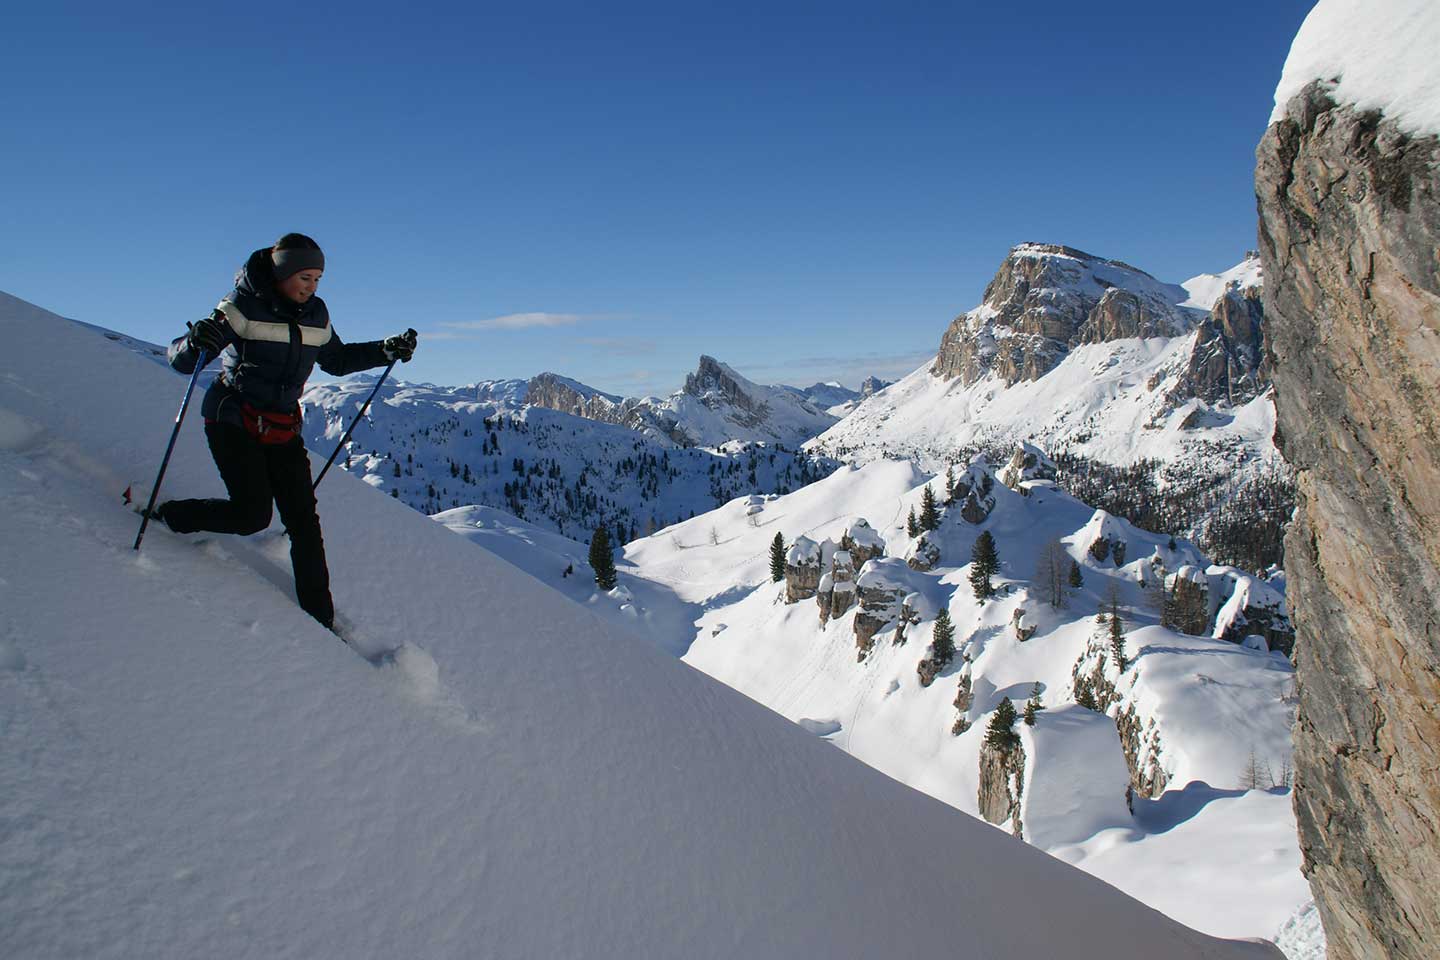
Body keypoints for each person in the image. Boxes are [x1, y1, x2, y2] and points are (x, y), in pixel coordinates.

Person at [151, 233, 417, 633]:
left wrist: (385, 350)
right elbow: (183, 360)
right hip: (233, 420)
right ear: (282, 273)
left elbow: (337, 360)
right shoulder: (241, 306)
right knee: (251, 515)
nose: (310, 287)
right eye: (304, 277)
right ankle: (172, 516)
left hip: (282, 427)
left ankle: (321, 620)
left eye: (317, 279)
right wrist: (193, 342)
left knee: (305, 524)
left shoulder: (317, 313)